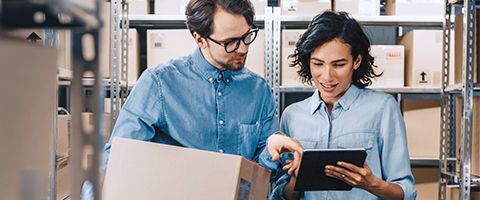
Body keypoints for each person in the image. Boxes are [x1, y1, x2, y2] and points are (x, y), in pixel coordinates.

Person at [105, 0, 302, 176]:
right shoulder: (158, 84)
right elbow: (116, 160)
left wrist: (271, 150)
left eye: (247, 36)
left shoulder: (258, 90)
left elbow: (262, 171)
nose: (243, 48)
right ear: (200, 39)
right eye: (230, 42)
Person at [270, 11, 416, 200]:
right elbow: (284, 195)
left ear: (356, 61)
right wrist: (297, 179)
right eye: (318, 64)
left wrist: (372, 184)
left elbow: (406, 192)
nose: (327, 76)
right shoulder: (292, 115)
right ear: (308, 61)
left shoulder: (383, 108)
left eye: (338, 65)